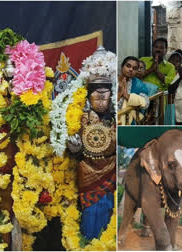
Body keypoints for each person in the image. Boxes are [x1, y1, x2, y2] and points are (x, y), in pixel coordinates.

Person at [67, 47, 116, 240]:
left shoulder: (116, 117)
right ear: (89, 97)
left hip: (111, 168)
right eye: (97, 96)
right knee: (89, 210)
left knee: (108, 207)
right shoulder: (80, 117)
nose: (102, 101)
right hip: (87, 169)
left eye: (105, 96)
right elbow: (72, 148)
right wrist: (75, 148)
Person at [118, 56, 149, 125]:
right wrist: (119, 95)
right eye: (128, 66)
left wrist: (127, 96)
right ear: (122, 66)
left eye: (134, 68)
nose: (131, 69)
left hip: (127, 121)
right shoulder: (113, 81)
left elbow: (146, 103)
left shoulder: (140, 85)